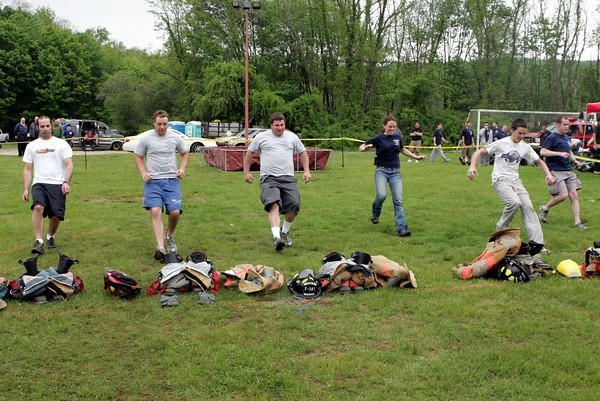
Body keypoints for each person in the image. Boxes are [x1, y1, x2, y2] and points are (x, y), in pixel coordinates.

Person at [467, 118, 553, 253]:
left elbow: (539, 161)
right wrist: (472, 167)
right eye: (520, 133)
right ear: (512, 130)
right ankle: (500, 231)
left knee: (528, 207)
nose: (522, 136)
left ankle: (537, 244)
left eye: (524, 134)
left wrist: (548, 174)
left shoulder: (525, 146)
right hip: (500, 179)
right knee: (514, 202)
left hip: (516, 181)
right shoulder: (502, 143)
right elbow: (479, 152)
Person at [243, 112, 311, 251]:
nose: (280, 128)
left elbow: (303, 152)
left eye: (282, 125)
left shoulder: (292, 137)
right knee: (274, 205)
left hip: (288, 178)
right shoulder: (261, 137)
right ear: (271, 125)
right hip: (269, 178)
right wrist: (246, 172)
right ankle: (276, 238)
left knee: (294, 206)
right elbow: (250, 153)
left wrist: (306, 171)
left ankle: (284, 232)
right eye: (277, 125)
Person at [359, 114, 426, 237]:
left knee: (398, 201)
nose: (392, 129)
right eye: (390, 126)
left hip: (395, 172)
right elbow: (362, 146)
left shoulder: (397, 137)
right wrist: (365, 148)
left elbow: (403, 150)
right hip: (381, 171)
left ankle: (401, 229)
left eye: (394, 127)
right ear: (384, 126)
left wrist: (417, 157)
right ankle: (375, 214)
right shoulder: (378, 138)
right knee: (381, 195)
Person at [135, 110, 189, 260]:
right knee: (156, 211)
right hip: (153, 182)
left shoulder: (175, 138)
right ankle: (160, 247)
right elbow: (138, 157)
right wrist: (143, 172)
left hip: (171, 180)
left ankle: (169, 236)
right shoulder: (146, 139)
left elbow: (185, 154)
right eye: (159, 124)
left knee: (175, 212)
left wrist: (182, 169)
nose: (162, 127)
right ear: (154, 123)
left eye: (165, 124)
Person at [22, 116, 74, 254]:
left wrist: (66, 182)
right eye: (42, 126)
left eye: (47, 126)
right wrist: (26, 189)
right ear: (38, 127)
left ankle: (50, 236)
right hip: (39, 183)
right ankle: (38, 242)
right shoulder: (32, 146)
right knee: (38, 207)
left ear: (51, 126)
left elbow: (69, 165)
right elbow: (27, 169)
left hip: (57, 183)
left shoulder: (62, 144)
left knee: (56, 216)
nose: (45, 129)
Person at [538, 116, 588, 230]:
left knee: (574, 195)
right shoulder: (551, 137)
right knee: (563, 195)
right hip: (556, 171)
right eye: (564, 124)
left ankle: (577, 222)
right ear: (558, 124)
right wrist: (559, 154)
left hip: (568, 170)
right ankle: (545, 208)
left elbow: (568, 150)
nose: (567, 127)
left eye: (568, 125)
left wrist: (574, 160)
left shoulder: (567, 138)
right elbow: (543, 152)